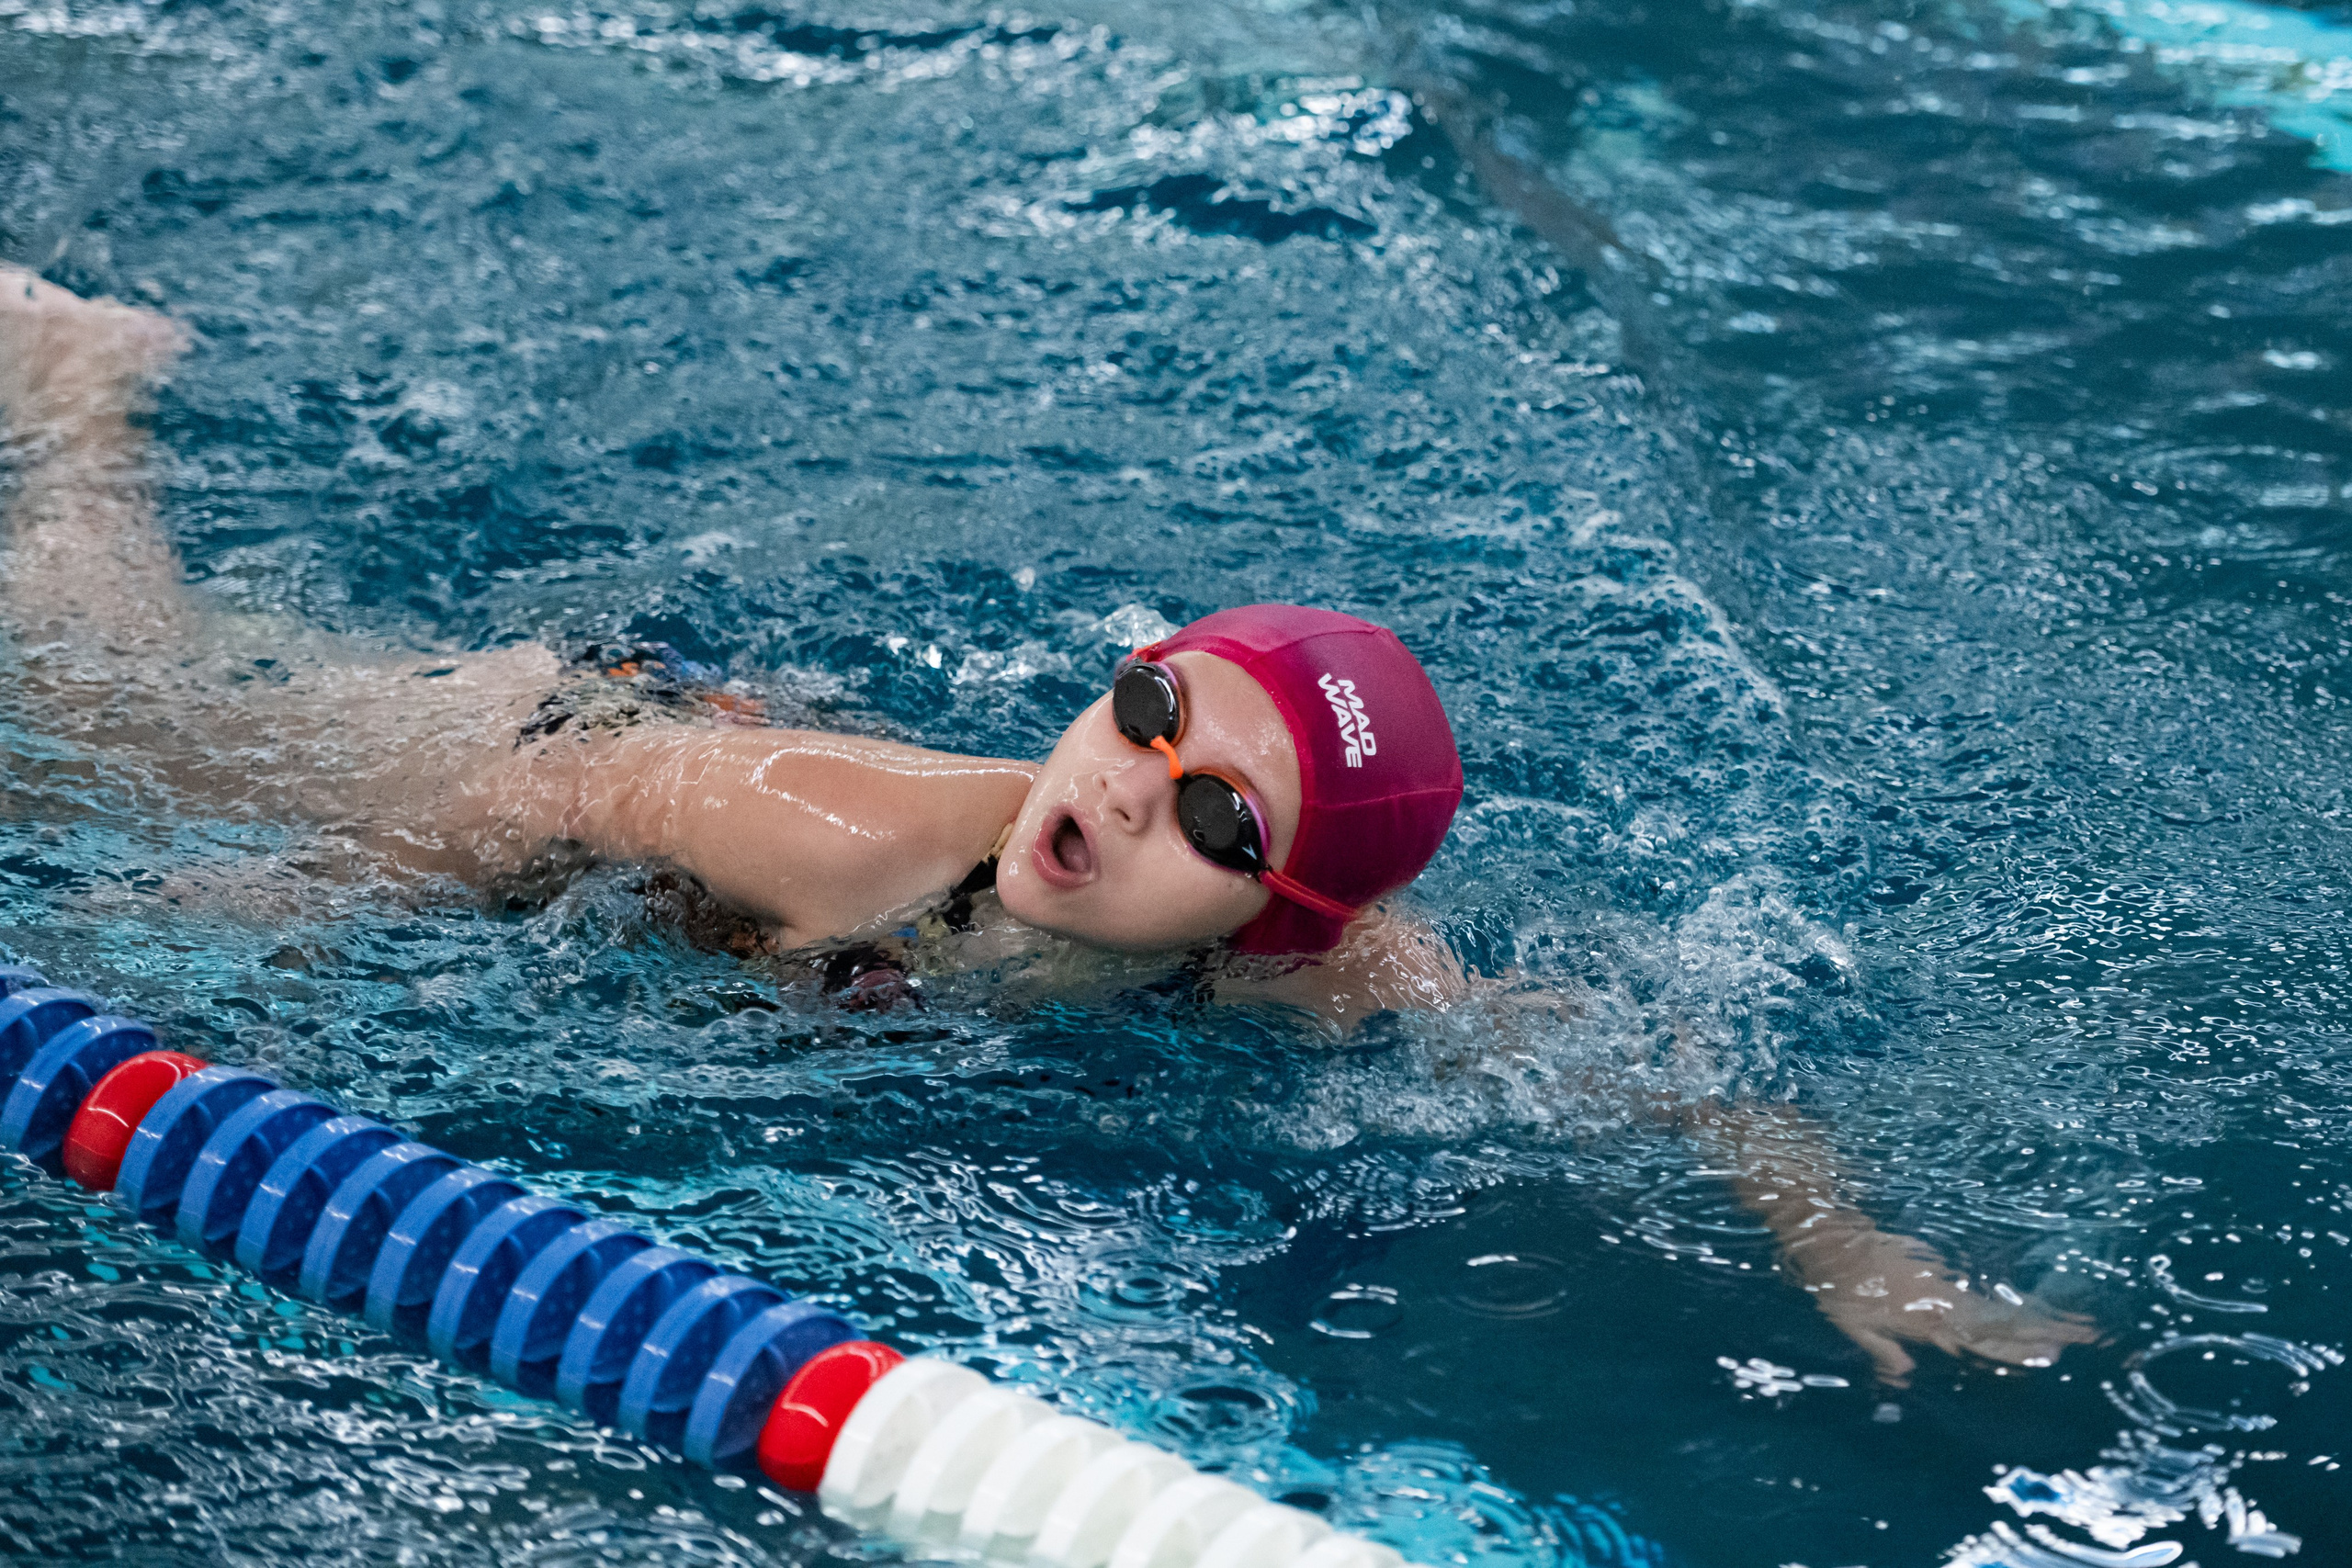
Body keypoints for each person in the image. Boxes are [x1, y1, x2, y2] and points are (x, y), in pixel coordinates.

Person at [0, 265, 2095, 1385]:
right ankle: (86, 393)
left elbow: (1671, 1087)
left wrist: (1842, 1238)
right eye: (1146, 700)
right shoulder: (847, 830)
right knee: (91, 700)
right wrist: (289, 894)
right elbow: (553, 792)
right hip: (537, 751)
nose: (1114, 774)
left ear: (1274, 917)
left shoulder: (1341, 983)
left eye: (1207, 803)